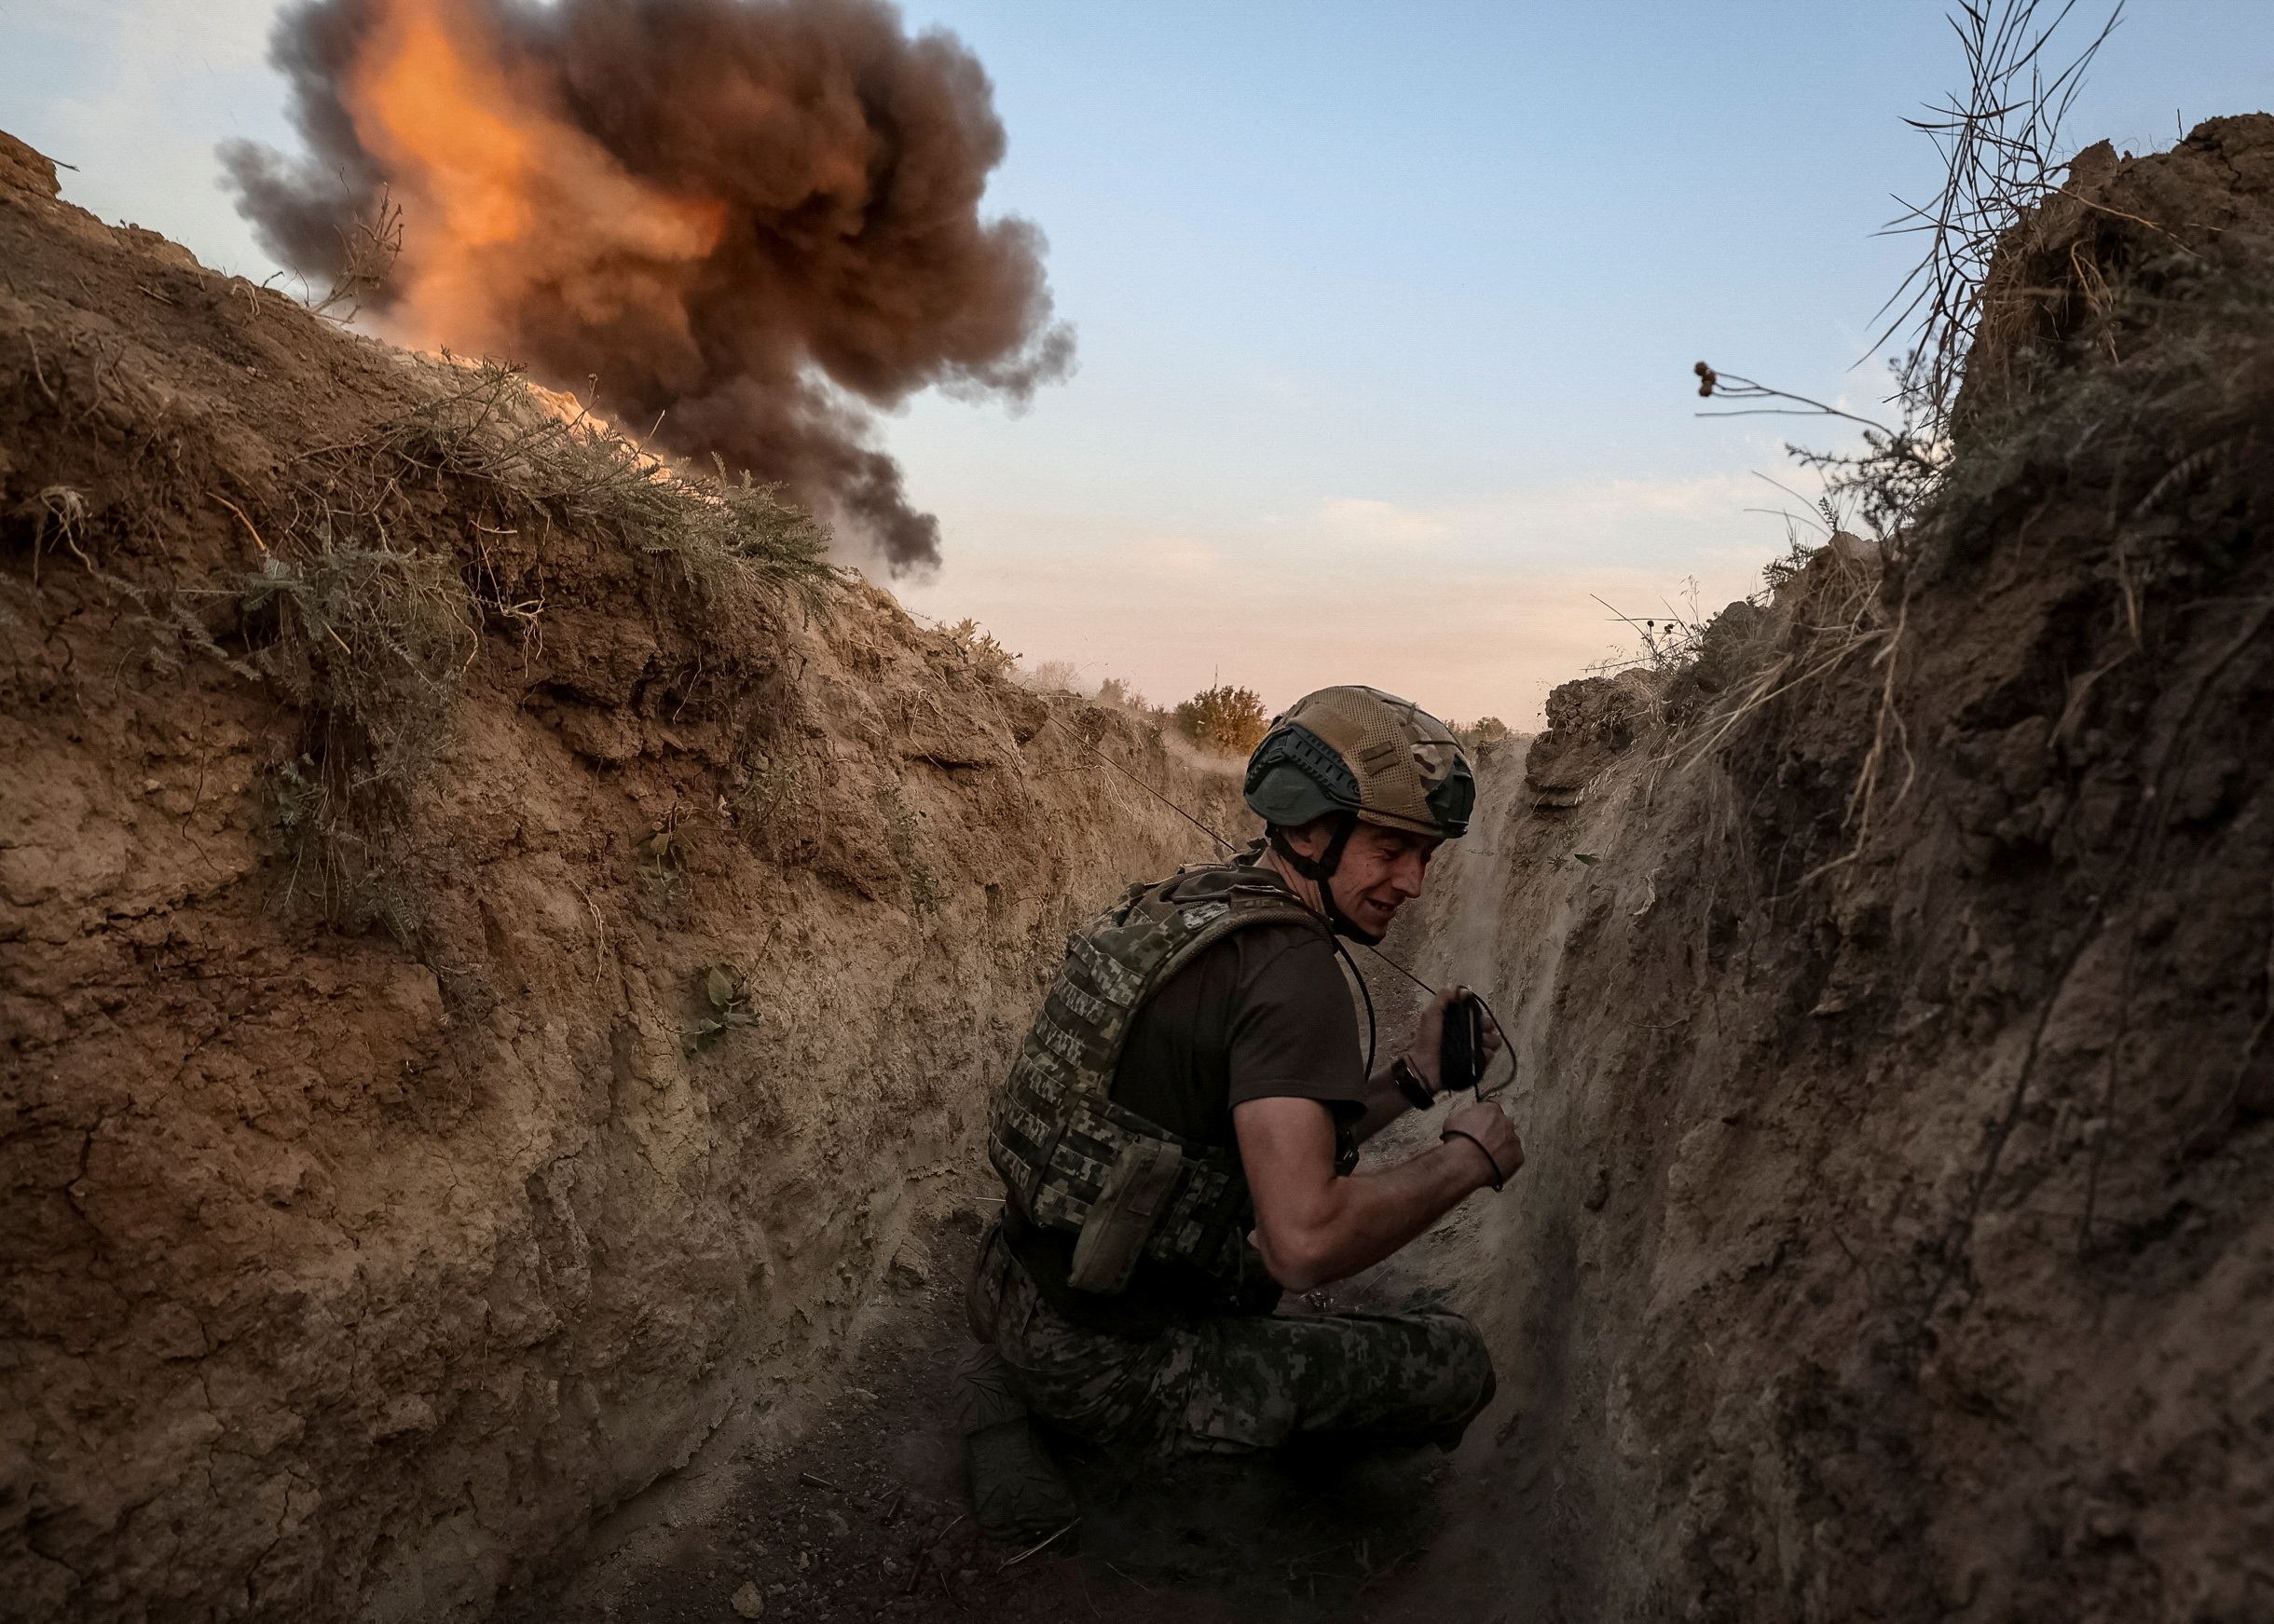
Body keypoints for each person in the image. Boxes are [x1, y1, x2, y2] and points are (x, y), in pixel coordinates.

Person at [956, 685, 1524, 1541]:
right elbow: (1304, 1243)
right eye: (1390, 846)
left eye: (1426, 854)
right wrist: (1465, 1159)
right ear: (1306, 827)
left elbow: (1245, 1140)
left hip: (1011, 1285)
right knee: (1452, 1361)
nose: (1412, 881)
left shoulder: (1193, 904)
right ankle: (1112, 1446)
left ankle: (1023, 1389)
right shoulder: (1293, 975)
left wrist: (1410, 1077)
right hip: (1107, 1358)